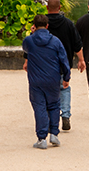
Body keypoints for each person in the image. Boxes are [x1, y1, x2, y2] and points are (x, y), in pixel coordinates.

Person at [22, 12, 71, 149]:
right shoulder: (55, 41)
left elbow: (25, 49)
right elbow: (64, 60)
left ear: (34, 26)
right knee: (54, 105)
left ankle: (41, 137)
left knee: (39, 106)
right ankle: (54, 134)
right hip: (53, 78)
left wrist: (32, 34)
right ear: (47, 25)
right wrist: (66, 77)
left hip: (36, 79)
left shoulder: (29, 40)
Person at [45, 0, 83, 131]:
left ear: (47, 7)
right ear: (60, 7)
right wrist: (81, 59)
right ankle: (65, 115)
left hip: (46, 64)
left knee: (47, 91)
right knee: (64, 89)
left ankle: (49, 118)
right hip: (63, 63)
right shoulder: (68, 23)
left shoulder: (42, 23)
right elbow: (77, 44)